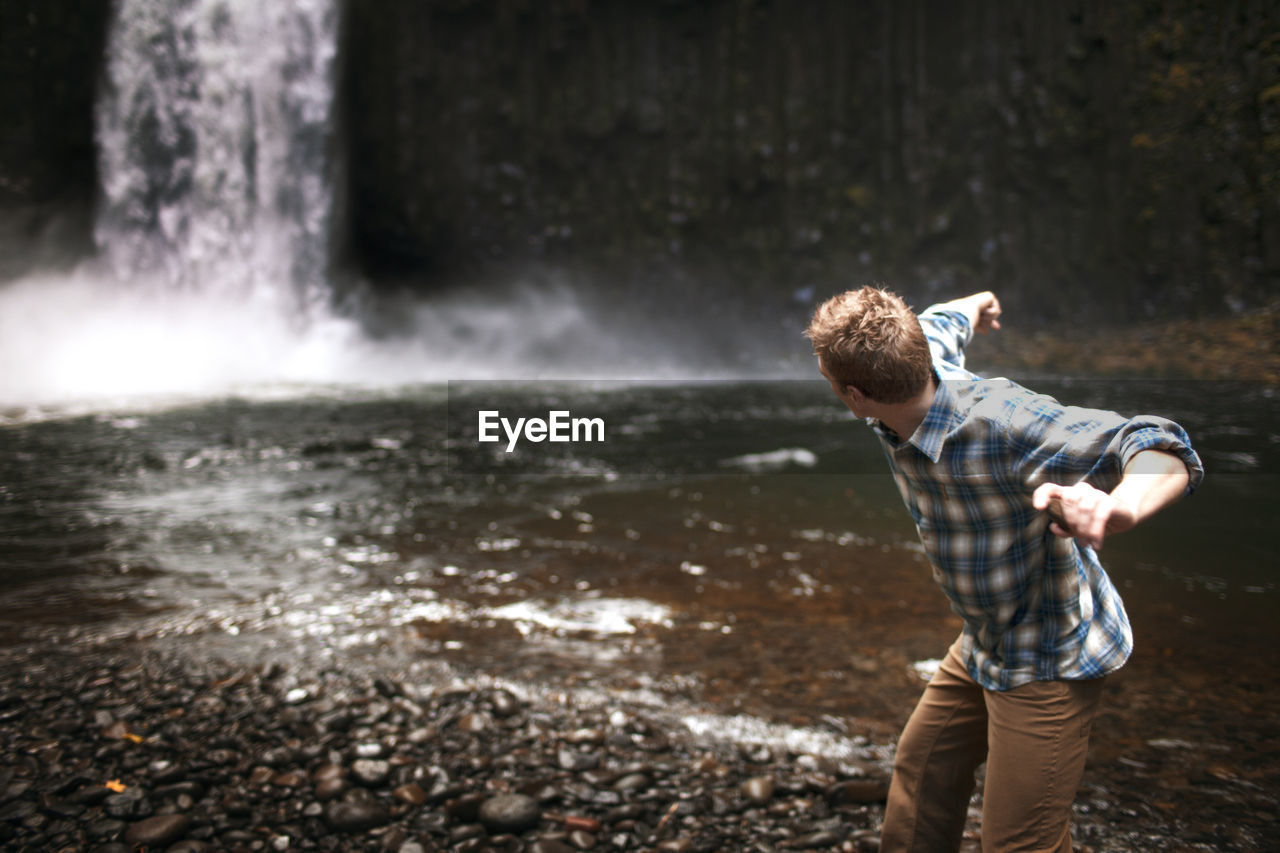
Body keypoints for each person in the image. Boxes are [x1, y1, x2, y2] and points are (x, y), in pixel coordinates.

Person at [804, 287, 1203, 853]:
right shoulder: (921, 356)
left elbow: (1157, 440)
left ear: (856, 397)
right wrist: (982, 302)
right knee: (920, 780)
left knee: (1020, 843)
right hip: (986, 639)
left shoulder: (1006, 425)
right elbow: (947, 319)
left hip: (1048, 654)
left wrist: (1123, 506)